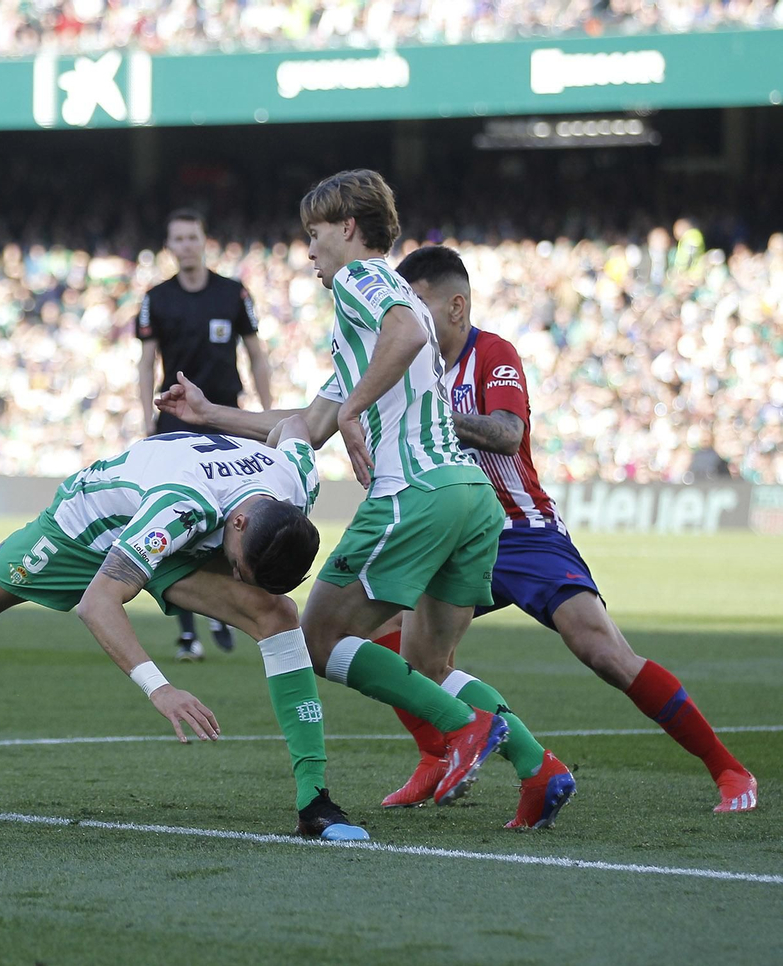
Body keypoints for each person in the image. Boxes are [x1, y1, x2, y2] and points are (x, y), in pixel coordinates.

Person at [157, 169, 574, 830]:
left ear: (347, 227)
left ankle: (462, 731)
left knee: (317, 637)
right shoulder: (362, 332)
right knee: (427, 666)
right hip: (468, 496)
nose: (309, 251)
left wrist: (354, 410)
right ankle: (539, 767)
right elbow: (310, 425)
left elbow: (406, 333)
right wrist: (211, 414)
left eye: (314, 234)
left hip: (414, 492)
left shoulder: (365, 280)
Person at [0, 424, 368, 841]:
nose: (241, 578)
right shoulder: (180, 509)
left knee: (277, 613)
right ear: (238, 523)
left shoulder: (297, 475)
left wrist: (214, 413)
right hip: (81, 530)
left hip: (176, 534)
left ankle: (314, 801)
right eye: (241, 564)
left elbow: (294, 425)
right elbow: (99, 603)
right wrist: (160, 688)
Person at [366, 245, 756, 814]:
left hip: (521, 532)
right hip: (453, 538)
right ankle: (437, 756)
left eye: (419, 303)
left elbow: (505, 433)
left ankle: (729, 769)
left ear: (456, 306)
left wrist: (434, 421)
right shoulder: (409, 368)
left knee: (601, 650)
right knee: (384, 637)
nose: (411, 317)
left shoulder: (493, 353)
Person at [137, 208, 274, 661]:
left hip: (226, 419)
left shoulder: (233, 294)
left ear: (204, 240)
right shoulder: (155, 298)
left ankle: (223, 603)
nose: (186, 245)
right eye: (178, 238)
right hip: (174, 420)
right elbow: (145, 361)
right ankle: (188, 632)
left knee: (230, 513)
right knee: (172, 519)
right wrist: (145, 417)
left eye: (192, 236)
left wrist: (266, 413)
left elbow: (256, 354)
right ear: (170, 245)